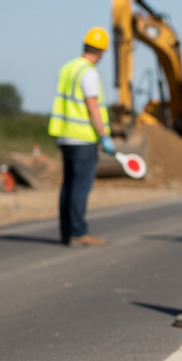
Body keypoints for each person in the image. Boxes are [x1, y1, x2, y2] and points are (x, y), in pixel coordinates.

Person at [48, 27, 117, 246]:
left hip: (65, 137)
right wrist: (103, 136)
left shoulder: (68, 68)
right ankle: (78, 233)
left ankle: (66, 232)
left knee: (68, 185)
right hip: (83, 139)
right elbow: (93, 108)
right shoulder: (88, 72)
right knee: (80, 187)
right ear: (102, 52)